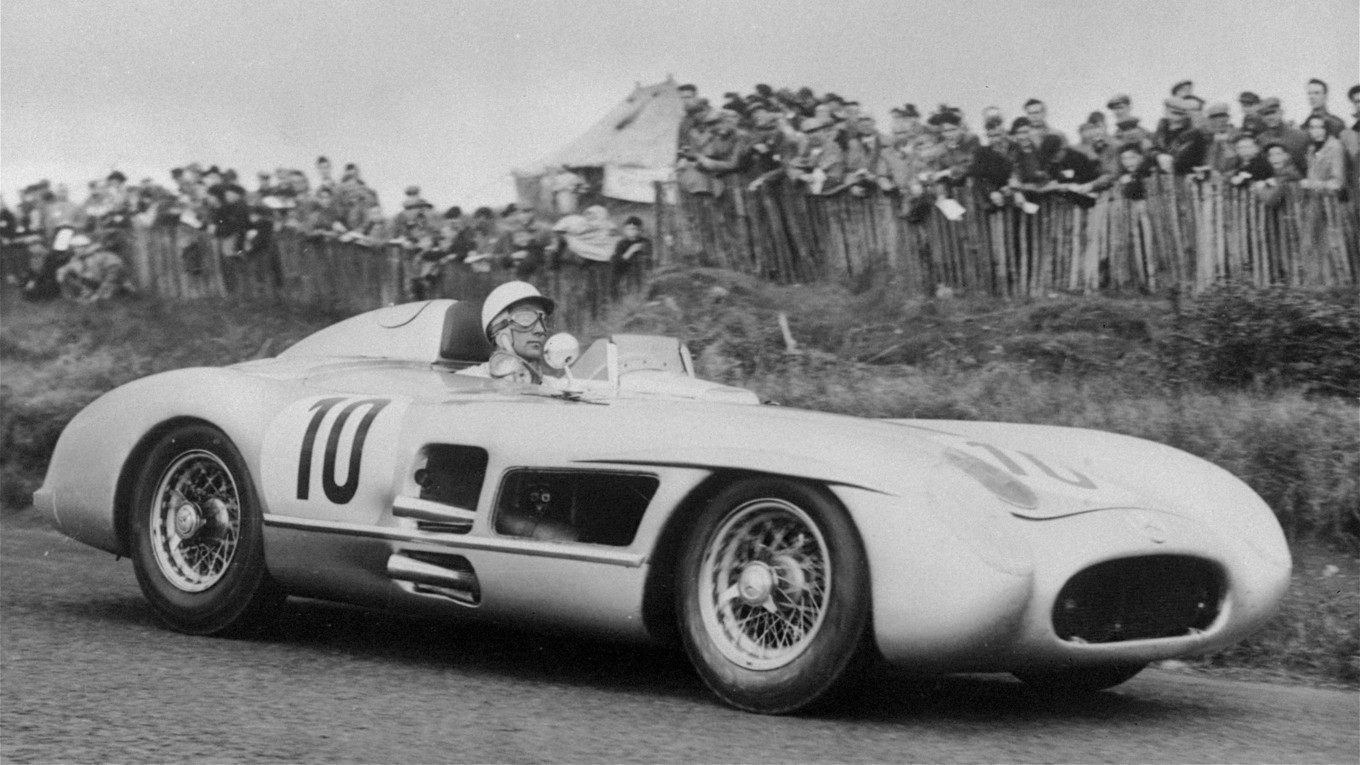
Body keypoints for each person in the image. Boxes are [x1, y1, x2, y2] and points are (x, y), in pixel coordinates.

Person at [459, 281, 558, 384]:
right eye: (526, 318)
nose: (540, 330)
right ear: (498, 330)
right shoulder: (466, 382)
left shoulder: (556, 386)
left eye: (544, 320)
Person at [56, 234, 133, 302]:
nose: (76, 250)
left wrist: (101, 292)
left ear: (86, 246)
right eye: (74, 248)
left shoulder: (102, 255)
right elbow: (68, 267)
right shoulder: (77, 259)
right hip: (93, 285)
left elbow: (115, 271)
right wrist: (62, 271)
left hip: (110, 284)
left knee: (109, 296)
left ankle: (102, 296)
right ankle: (81, 297)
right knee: (68, 276)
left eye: (79, 247)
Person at [1299, 115, 1347, 192]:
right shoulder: (1311, 148)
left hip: (1332, 199)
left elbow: (1337, 183)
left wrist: (1311, 184)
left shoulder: (1335, 146)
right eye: (1311, 127)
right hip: (1315, 197)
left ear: (1326, 128)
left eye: (1319, 127)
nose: (1314, 131)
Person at [611, 215, 651, 297]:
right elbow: (618, 263)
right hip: (626, 275)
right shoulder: (621, 244)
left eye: (634, 229)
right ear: (624, 230)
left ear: (640, 230)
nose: (631, 232)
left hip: (642, 274)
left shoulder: (645, 242)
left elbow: (648, 259)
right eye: (628, 229)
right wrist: (630, 251)